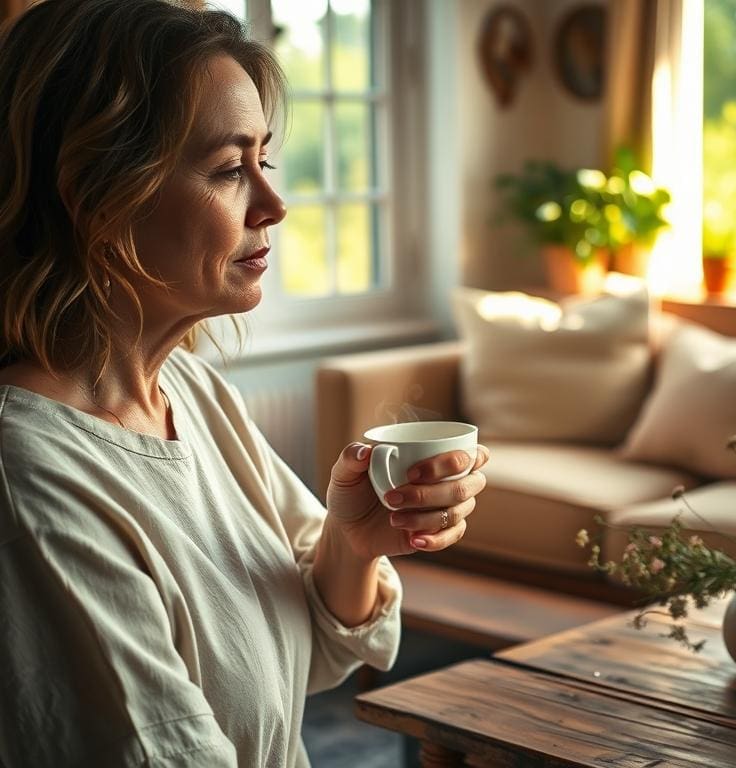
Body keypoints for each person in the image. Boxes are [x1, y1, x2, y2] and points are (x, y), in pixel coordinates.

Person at [0, 1, 489, 766]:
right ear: (95, 194)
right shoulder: (28, 475)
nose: (274, 205)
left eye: (265, 161)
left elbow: (318, 649)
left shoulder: (192, 392)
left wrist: (353, 544)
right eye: (230, 169)